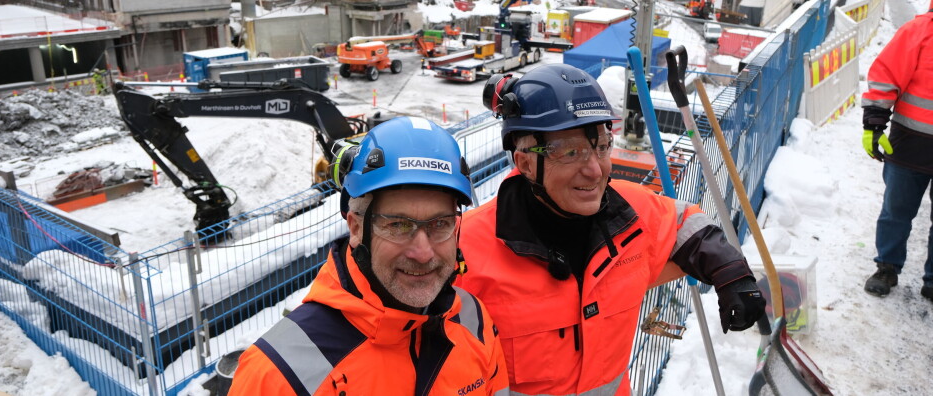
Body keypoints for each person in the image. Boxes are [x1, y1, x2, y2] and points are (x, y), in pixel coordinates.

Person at [456, 63, 765, 396]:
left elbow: (685, 223)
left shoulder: (629, 212)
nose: (595, 170)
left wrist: (732, 274)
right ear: (526, 163)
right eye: (571, 152)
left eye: (601, 146)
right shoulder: (463, 249)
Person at [229, 117, 508, 395]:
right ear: (355, 228)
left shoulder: (472, 319)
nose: (423, 253)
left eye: (440, 224)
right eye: (398, 225)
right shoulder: (277, 376)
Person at [861, 11, 933, 300]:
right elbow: (886, 76)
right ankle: (887, 268)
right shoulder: (919, 30)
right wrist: (874, 123)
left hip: (908, 143)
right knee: (896, 210)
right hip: (909, 145)